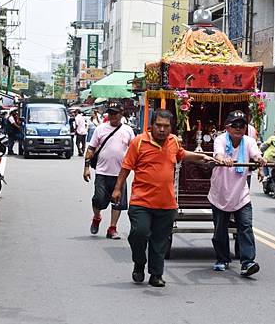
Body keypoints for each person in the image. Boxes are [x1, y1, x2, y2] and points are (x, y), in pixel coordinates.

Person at [112, 109, 214, 287]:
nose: (161, 129)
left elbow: (182, 154)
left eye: (166, 126)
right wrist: (117, 189)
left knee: (160, 241)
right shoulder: (138, 142)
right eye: (158, 125)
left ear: (171, 128)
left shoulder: (173, 141)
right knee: (139, 233)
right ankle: (139, 262)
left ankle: (156, 274)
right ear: (151, 125)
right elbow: (126, 166)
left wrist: (201, 157)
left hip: (166, 203)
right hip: (141, 202)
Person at [209, 110, 266, 277]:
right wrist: (222, 159)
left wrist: (260, 162)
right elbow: (218, 154)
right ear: (228, 127)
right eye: (235, 125)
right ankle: (222, 258)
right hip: (220, 193)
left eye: (242, 125)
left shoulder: (249, 141)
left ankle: (247, 261)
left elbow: (256, 155)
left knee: (246, 227)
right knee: (220, 230)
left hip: (241, 194)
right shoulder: (220, 140)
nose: (239, 128)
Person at [83, 101, 135, 239]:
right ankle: (97, 216)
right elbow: (91, 149)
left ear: (121, 113)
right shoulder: (100, 129)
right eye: (110, 113)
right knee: (99, 199)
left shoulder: (128, 130)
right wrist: (86, 167)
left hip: (120, 173)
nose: (112, 116)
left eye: (115, 113)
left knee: (117, 203)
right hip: (102, 172)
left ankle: (112, 228)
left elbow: (134, 150)